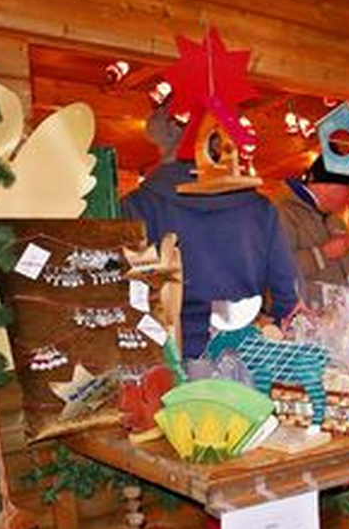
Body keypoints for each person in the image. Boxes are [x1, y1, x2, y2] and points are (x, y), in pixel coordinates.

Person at [122, 103, 300, 359]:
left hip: (169, 359)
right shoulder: (261, 209)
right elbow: (286, 295)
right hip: (244, 356)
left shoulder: (137, 206)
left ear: (162, 138)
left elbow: (130, 298)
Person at [272, 156, 349, 299]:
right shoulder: (282, 213)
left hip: (342, 310)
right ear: (327, 185)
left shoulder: (334, 220)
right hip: (300, 311)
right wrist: (323, 254)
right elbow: (277, 269)